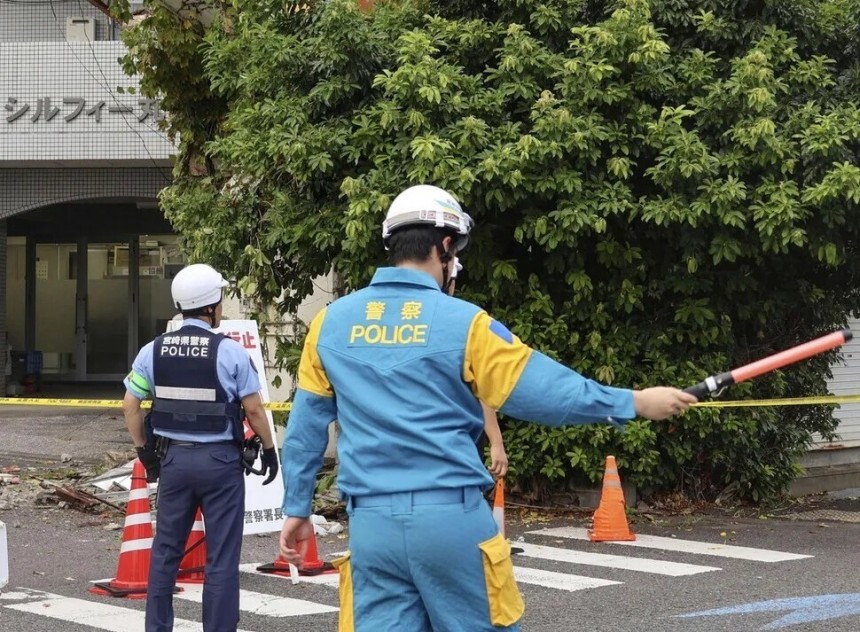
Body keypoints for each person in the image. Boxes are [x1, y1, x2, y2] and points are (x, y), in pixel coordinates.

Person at [278, 184, 696, 632]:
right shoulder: (465, 323)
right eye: (454, 253)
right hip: (450, 522)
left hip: (370, 528)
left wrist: (297, 508)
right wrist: (633, 402)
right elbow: (544, 391)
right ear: (444, 246)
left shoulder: (330, 322)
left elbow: (305, 428)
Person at [122, 263, 279, 632]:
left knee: (165, 554)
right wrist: (270, 450)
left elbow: (130, 405)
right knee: (222, 558)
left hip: (174, 461)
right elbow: (254, 409)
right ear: (210, 306)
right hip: (222, 464)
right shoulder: (230, 352)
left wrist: (146, 453)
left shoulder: (153, 351)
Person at [449, 256, 508, 478]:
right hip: (460, 441)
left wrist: (495, 442)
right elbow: (484, 389)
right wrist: (496, 443)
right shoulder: (467, 323)